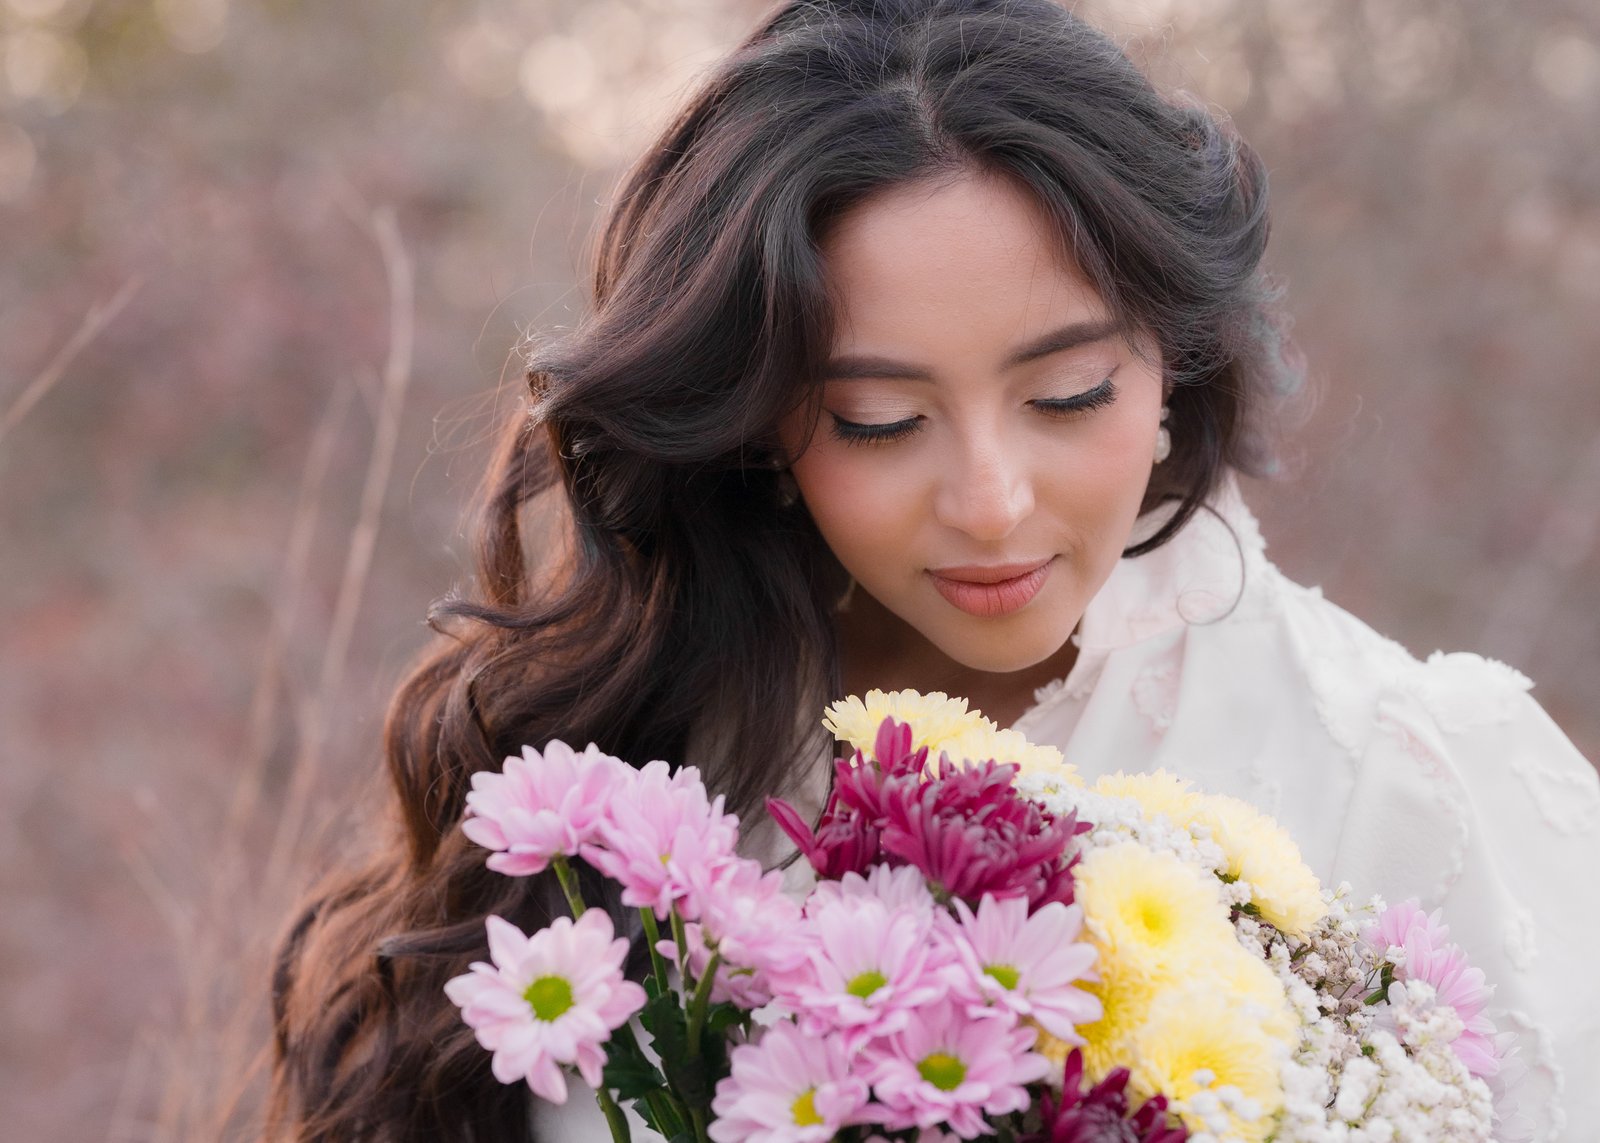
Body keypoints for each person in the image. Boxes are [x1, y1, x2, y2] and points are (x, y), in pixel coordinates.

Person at [266, 0, 1600, 1140]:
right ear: (765, 424)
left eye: (1070, 394)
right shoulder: (644, 767)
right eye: (880, 422)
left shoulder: (1410, 775)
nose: (992, 502)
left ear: (1171, 360)